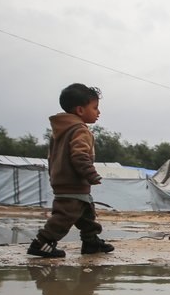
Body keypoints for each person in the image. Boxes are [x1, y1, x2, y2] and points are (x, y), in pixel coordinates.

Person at [27, 82, 113, 258]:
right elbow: (79, 156)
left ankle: (91, 242)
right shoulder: (80, 130)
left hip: (64, 181)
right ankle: (42, 243)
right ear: (81, 110)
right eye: (95, 108)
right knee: (64, 216)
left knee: (87, 214)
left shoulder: (61, 130)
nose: (98, 112)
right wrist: (90, 174)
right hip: (73, 183)